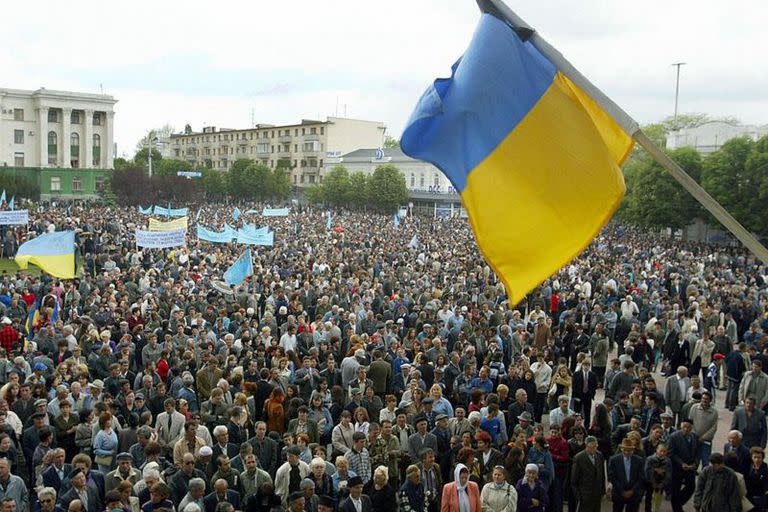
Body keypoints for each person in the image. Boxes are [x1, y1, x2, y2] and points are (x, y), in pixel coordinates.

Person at [668, 418, 699, 512]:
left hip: (690, 467)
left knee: (691, 487)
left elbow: (697, 452)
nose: (686, 429)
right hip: (677, 468)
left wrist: (696, 463)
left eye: (688, 427)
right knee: (675, 489)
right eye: (684, 427)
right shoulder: (674, 436)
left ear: (691, 428)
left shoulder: (694, 436)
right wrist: (681, 463)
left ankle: (677, 502)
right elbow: (671, 453)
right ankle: (677, 508)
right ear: (680, 427)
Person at [608, 439, 645, 512]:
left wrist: (632, 490)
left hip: (634, 494)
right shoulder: (614, 460)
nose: (627, 452)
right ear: (621, 449)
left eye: (629, 450)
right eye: (625, 450)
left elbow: (641, 477)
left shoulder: (639, 460)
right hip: (618, 493)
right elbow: (612, 477)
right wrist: (622, 491)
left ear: (633, 450)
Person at [569, 436, 605, 512]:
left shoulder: (599, 455)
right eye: (592, 446)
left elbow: (602, 475)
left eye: (596, 446)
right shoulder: (579, 458)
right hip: (584, 495)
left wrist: (602, 491)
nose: (594, 448)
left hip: (597, 494)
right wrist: (578, 496)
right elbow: (574, 480)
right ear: (586, 446)